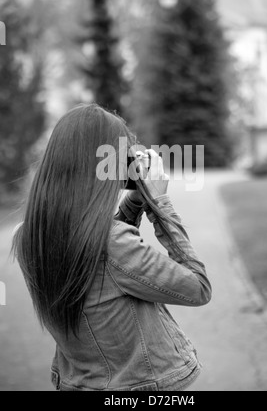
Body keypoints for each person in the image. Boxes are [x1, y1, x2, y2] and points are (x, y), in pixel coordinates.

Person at [12, 104, 212, 392]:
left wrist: (133, 202)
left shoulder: (31, 236)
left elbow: (95, 262)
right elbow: (198, 288)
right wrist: (160, 203)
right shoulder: (111, 243)